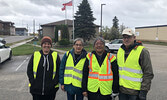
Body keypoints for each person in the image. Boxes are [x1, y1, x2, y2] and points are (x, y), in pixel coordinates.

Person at [117, 28, 154, 100]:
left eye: (129, 37)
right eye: (124, 37)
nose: (126, 39)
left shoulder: (142, 51)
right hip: (122, 91)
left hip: (135, 93)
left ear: (134, 38)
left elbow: (148, 73)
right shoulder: (120, 51)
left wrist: (143, 91)